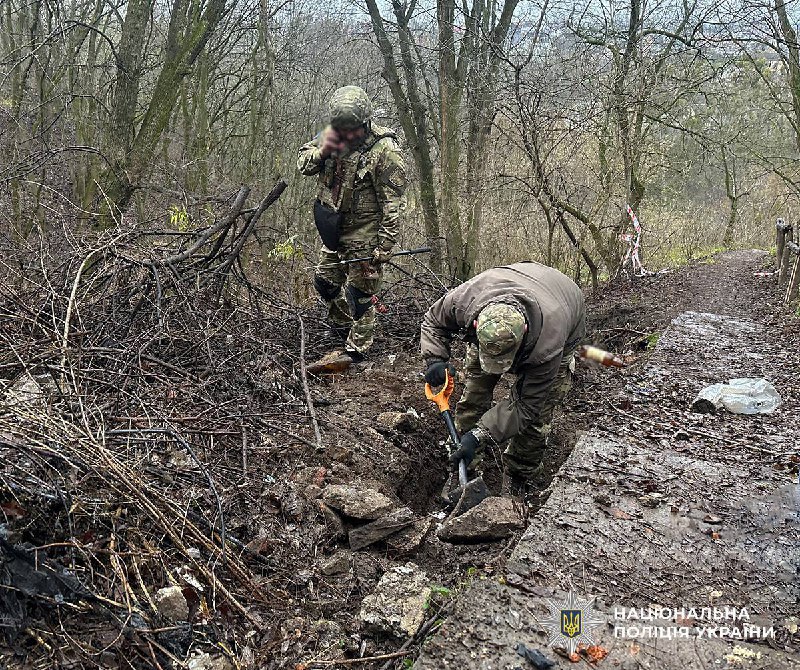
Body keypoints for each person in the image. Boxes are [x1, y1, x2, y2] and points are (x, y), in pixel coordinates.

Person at [420, 262, 585, 488]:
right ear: (476, 324)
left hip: (563, 309)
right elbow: (433, 321)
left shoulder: (548, 345)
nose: (499, 369)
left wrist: (480, 435)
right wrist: (435, 359)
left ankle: (519, 476)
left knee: (537, 416)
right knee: (475, 392)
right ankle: (462, 467)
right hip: (512, 290)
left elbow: (527, 405)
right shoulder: (465, 300)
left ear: (524, 332)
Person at [297, 86, 407, 362]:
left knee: (361, 293)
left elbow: (393, 203)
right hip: (334, 229)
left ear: (366, 121)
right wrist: (323, 151)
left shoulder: (385, 150)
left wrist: (385, 244)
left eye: (352, 130)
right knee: (325, 283)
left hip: (365, 233)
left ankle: (357, 351)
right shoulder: (332, 136)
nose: (347, 135)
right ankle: (342, 323)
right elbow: (303, 164)